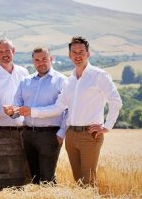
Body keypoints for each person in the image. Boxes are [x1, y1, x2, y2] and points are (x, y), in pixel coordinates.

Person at [19, 36, 122, 186]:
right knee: (79, 181)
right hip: (71, 136)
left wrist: (106, 126)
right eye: (74, 52)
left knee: (88, 182)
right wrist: (31, 111)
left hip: (90, 134)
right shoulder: (70, 80)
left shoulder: (99, 75)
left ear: (88, 53)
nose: (78, 55)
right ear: (69, 55)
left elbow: (116, 101)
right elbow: (58, 108)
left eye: (81, 52)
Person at [4, 47, 66, 184]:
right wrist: (11, 112)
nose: (41, 63)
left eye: (44, 59)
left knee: (47, 178)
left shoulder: (61, 80)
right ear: (33, 62)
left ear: (51, 59)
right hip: (27, 134)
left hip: (50, 135)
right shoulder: (25, 82)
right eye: (37, 60)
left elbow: (64, 109)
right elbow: (17, 106)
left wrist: (61, 133)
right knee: (34, 178)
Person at [0, 38, 29, 142]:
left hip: (28, 131)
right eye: (0, 52)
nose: (4, 54)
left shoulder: (24, 72)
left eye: (7, 50)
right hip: (5, 133)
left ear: (13, 51)